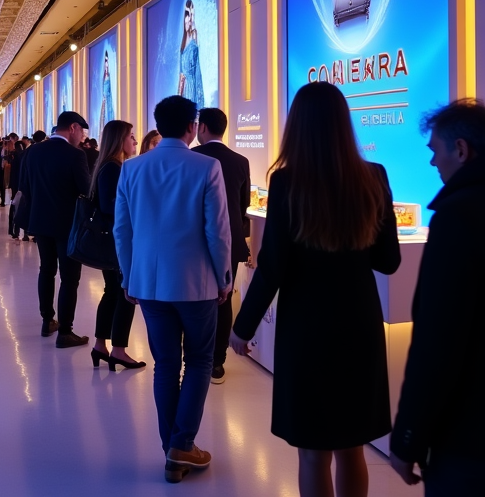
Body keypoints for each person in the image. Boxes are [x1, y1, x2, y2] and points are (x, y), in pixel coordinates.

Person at [230, 82, 400, 497]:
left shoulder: (286, 183)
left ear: (297, 127)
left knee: (312, 453)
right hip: (359, 325)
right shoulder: (374, 177)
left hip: (306, 329)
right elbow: (388, 261)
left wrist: (242, 326)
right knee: (352, 448)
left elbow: (272, 267)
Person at [114, 95, 232, 483]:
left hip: (148, 283)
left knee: (165, 364)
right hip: (197, 283)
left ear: (157, 124)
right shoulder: (206, 166)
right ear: (191, 127)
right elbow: (217, 232)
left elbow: (122, 230)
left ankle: (172, 448)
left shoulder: (132, 169)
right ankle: (182, 443)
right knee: (197, 361)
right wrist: (224, 277)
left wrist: (129, 276)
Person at [389, 99, 485, 496]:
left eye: (435, 151)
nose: (432, 164)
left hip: (469, 437)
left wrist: (408, 436)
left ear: (460, 150)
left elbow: (437, 342)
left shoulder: (458, 216)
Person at [17, 111, 91, 347]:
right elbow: (85, 190)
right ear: (72, 128)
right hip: (68, 225)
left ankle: (47, 320)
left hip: (40, 222)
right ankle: (66, 331)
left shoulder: (32, 151)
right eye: (82, 131)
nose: (82, 136)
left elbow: (24, 187)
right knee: (70, 277)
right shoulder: (75, 155)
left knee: (46, 270)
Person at [193, 107, 251, 384]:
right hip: (231, 239)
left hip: (195, 241)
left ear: (202, 127)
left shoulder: (192, 157)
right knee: (224, 298)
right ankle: (217, 362)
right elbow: (243, 207)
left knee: (194, 299)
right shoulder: (241, 161)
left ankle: (195, 358)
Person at [90, 120, 145, 372]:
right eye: (131, 136)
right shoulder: (113, 168)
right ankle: (119, 350)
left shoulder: (109, 166)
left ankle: (101, 345)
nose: (135, 141)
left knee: (112, 292)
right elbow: (109, 206)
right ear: (119, 140)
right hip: (116, 241)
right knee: (125, 293)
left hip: (111, 241)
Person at [178, 0, 204, 107]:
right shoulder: (183, 43)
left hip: (192, 87)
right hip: (184, 89)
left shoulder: (194, 36)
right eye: (188, 14)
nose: (189, 19)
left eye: (192, 15)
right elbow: (181, 75)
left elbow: (196, 69)